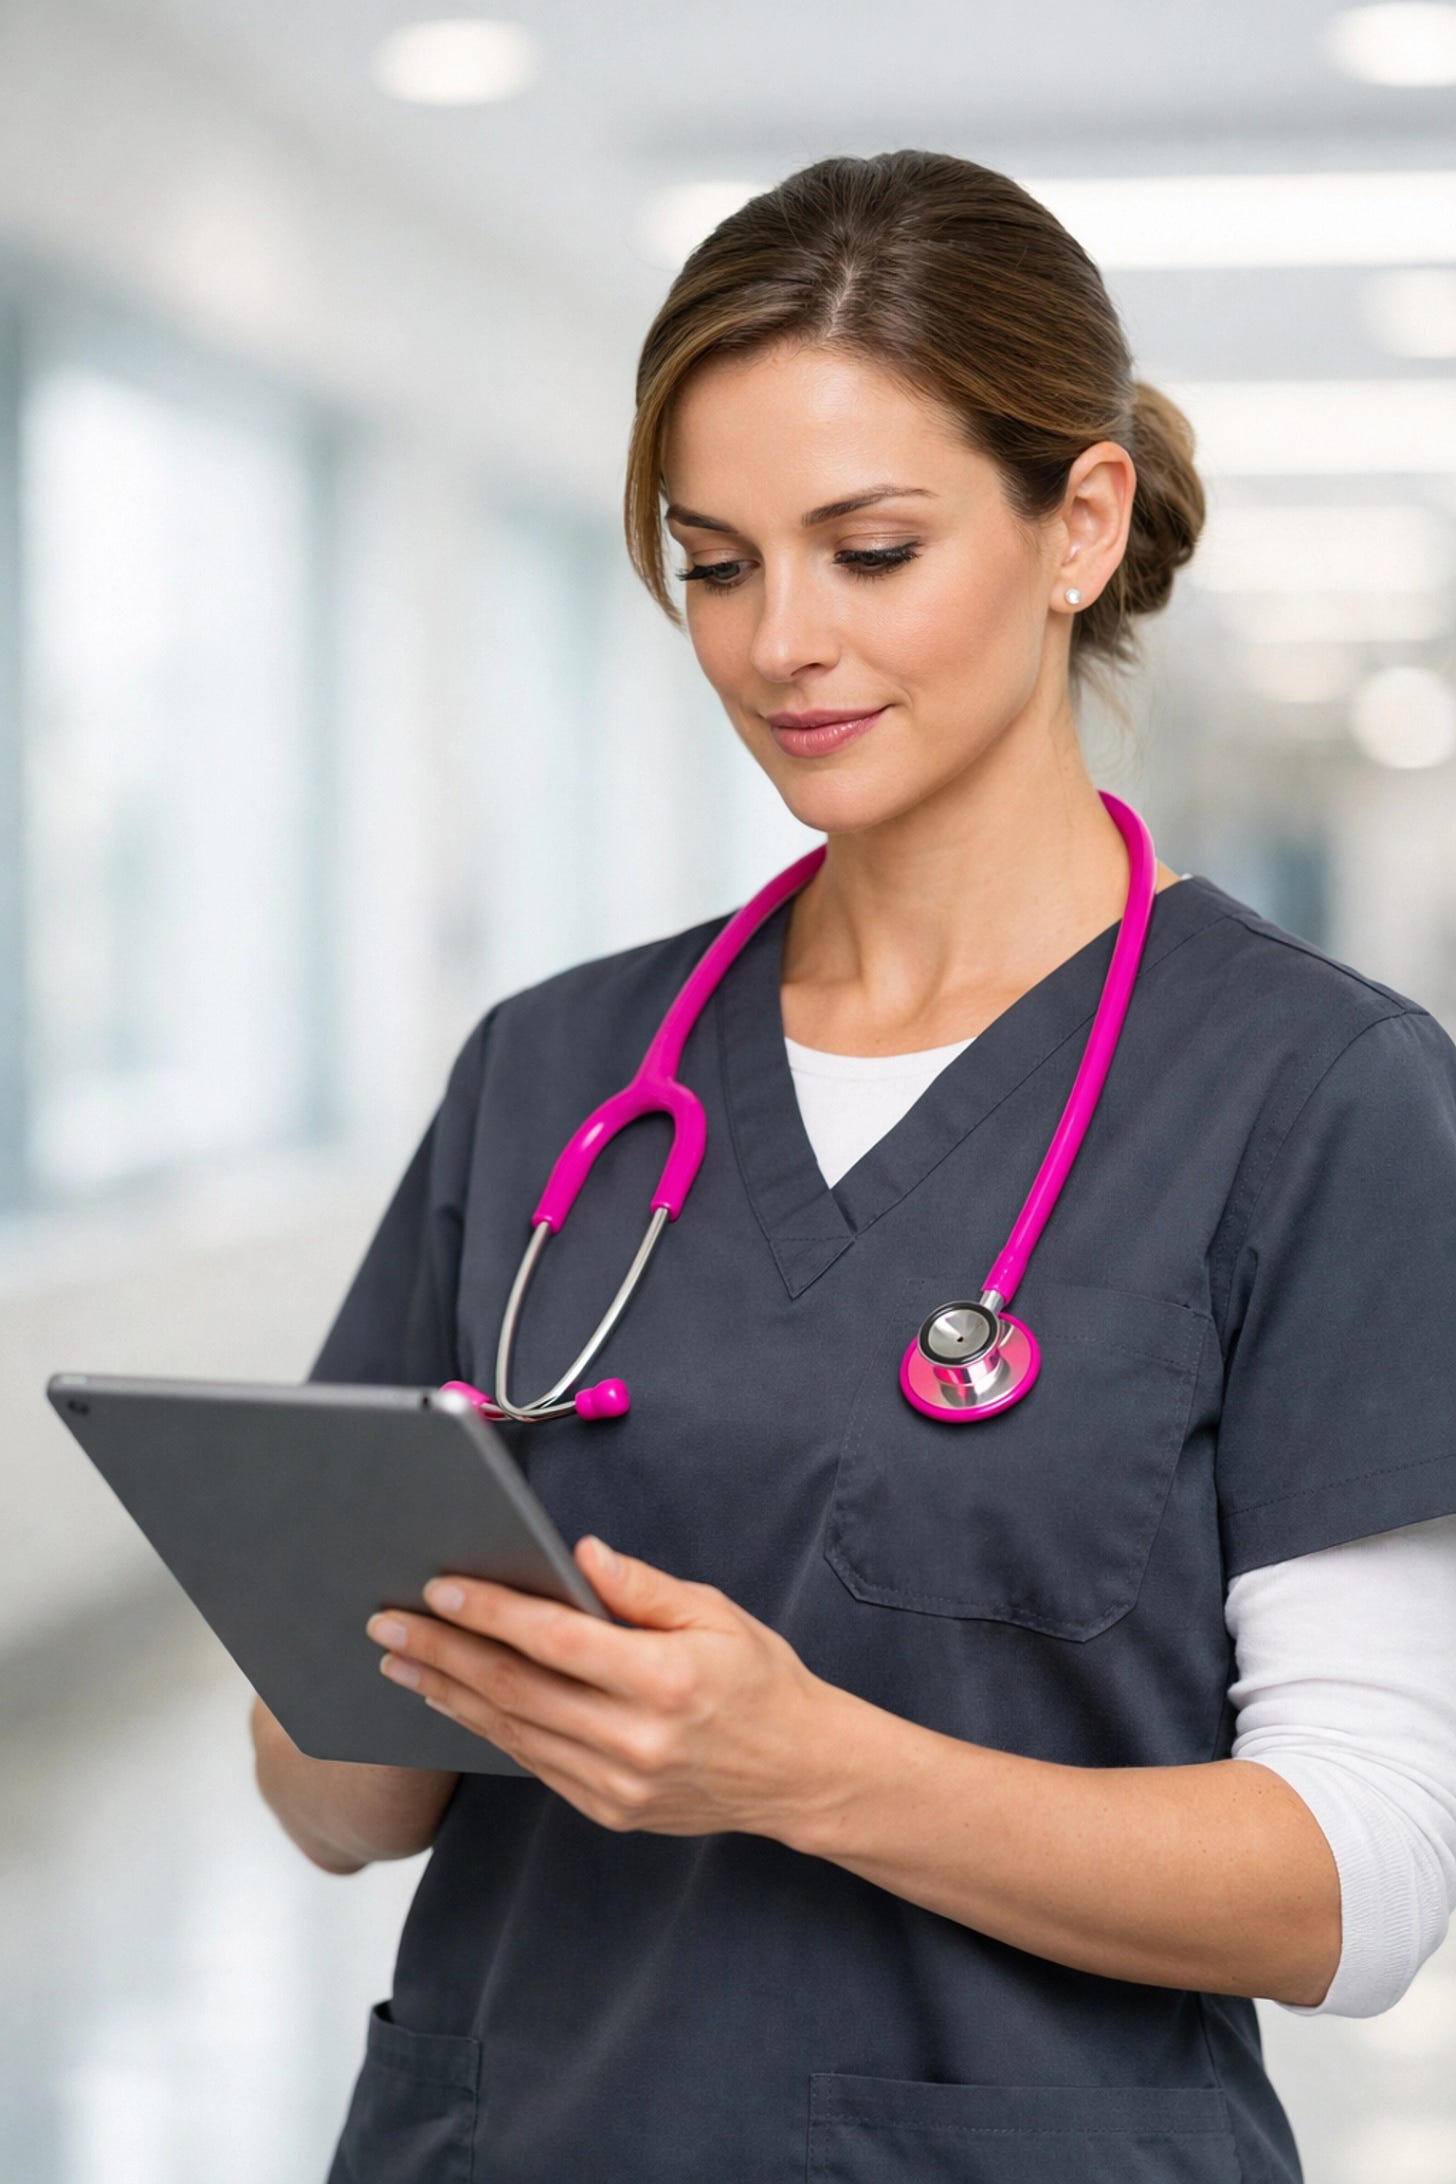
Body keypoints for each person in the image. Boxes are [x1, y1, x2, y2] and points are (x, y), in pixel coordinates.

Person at [250, 151, 1456, 2183]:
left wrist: (803, 1769)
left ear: (1074, 522)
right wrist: (360, 1682)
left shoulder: (1315, 1094)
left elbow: (1355, 1885)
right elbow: (340, 1803)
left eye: (867, 550)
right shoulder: (554, 1071)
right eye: (714, 564)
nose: (776, 644)